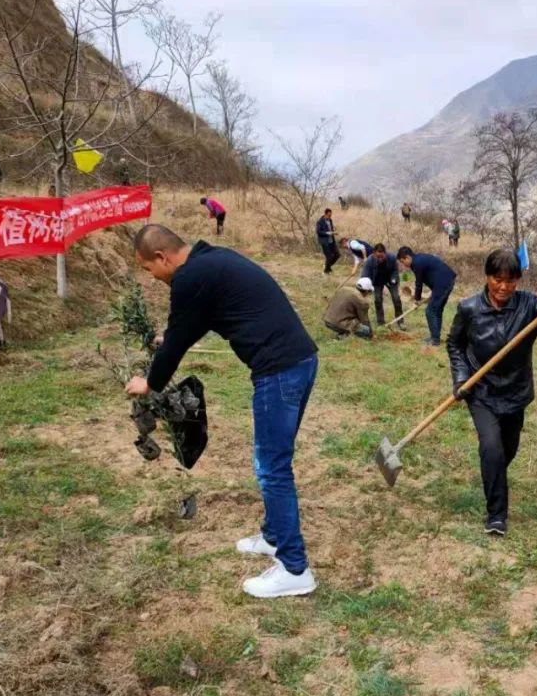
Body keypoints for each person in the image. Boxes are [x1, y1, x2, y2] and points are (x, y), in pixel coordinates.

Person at [124, 224, 320, 598]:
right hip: (300, 361)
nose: (152, 277)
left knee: (272, 468)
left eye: (149, 269)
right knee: (275, 462)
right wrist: (173, 337)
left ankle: (295, 569)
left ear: (162, 258)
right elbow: (204, 317)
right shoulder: (211, 260)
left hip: (279, 371)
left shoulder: (189, 277)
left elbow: (181, 336)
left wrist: (149, 382)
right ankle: (274, 535)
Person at [447, 249, 537, 536]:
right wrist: (460, 378)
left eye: (510, 280)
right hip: (480, 390)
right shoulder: (469, 308)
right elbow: (455, 345)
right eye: (497, 279)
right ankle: (497, 516)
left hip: (515, 391)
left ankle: (492, 472)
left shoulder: (529, 306)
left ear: (518, 280)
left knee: (507, 450)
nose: (503, 287)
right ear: (487, 277)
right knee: (491, 447)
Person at [397, 246, 455, 347]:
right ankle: (435, 336)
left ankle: (435, 340)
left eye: (402, 261)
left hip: (443, 283)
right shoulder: (419, 259)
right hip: (446, 281)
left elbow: (418, 283)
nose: (403, 265)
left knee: (430, 311)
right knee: (437, 310)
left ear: (407, 257)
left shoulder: (417, 263)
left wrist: (417, 300)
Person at [361, 243, 406, 330]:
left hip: (390, 280)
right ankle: (381, 322)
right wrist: (366, 288)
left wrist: (393, 280)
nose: (380, 259)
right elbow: (365, 276)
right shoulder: (369, 261)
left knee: (396, 299)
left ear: (385, 253)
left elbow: (395, 271)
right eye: (378, 257)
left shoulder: (392, 258)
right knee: (378, 300)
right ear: (374, 254)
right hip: (377, 281)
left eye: (382, 257)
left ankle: (400, 321)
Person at [317, 208, 340, 273]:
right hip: (325, 242)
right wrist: (327, 233)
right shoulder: (320, 222)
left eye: (331, 215)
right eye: (329, 215)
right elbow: (318, 232)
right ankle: (326, 271)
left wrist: (334, 232)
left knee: (337, 254)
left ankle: (327, 266)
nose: (330, 216)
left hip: (332, 241)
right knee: (329, 256)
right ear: (325, 214)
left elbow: (331, 229)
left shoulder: (330, 220)